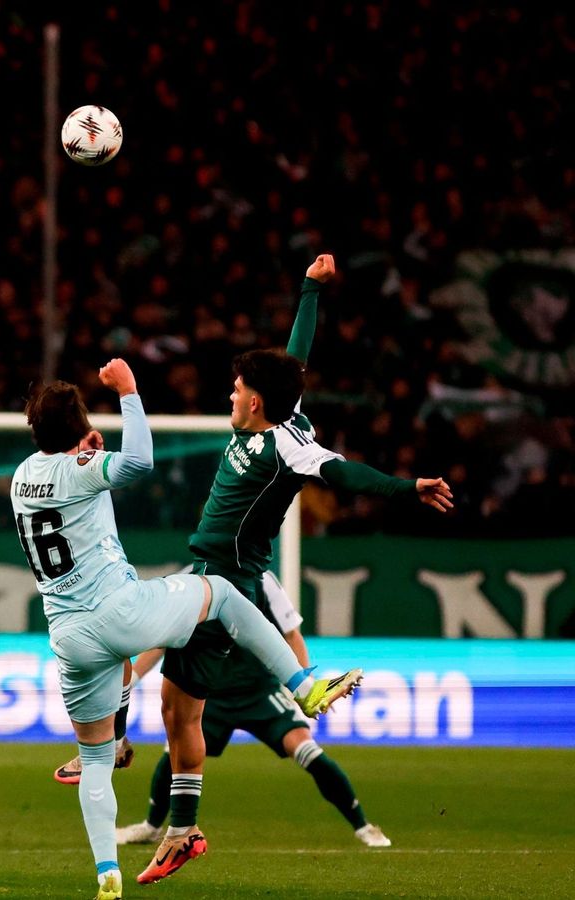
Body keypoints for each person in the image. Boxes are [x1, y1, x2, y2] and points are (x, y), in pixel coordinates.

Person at [144, 254, 453, 885]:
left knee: (157, 675)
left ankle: (153, 774)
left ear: (255, 401)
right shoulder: (278, 411)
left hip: (221, 582)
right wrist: (310, 289)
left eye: (236, 390)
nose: (230, 396)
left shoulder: (289, 443)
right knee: (177, 708)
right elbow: (296, 358)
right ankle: (181, 827)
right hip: (211, 573)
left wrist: (406, 488)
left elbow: (344, 472)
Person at [12, 360, 362, 900]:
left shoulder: (22, 478)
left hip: (69, 638)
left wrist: (82, 447)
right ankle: (303, 685)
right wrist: (129, 392)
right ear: (80, 427)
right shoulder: (84, 468)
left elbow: (66, 473)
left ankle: (107, 876)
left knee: (96, 762)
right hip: (120, 612)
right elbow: (139, 461)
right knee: (220, 591)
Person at [116, 571, 392, 849]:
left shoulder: (262, 579)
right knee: (174, 753)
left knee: (306, 749)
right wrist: (131, 681)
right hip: (211, 694)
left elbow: (291, 633)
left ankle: (363, 826)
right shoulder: (192, 576)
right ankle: (151, 827)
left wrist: (303, 688)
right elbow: (164, 640)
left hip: (260, 691)